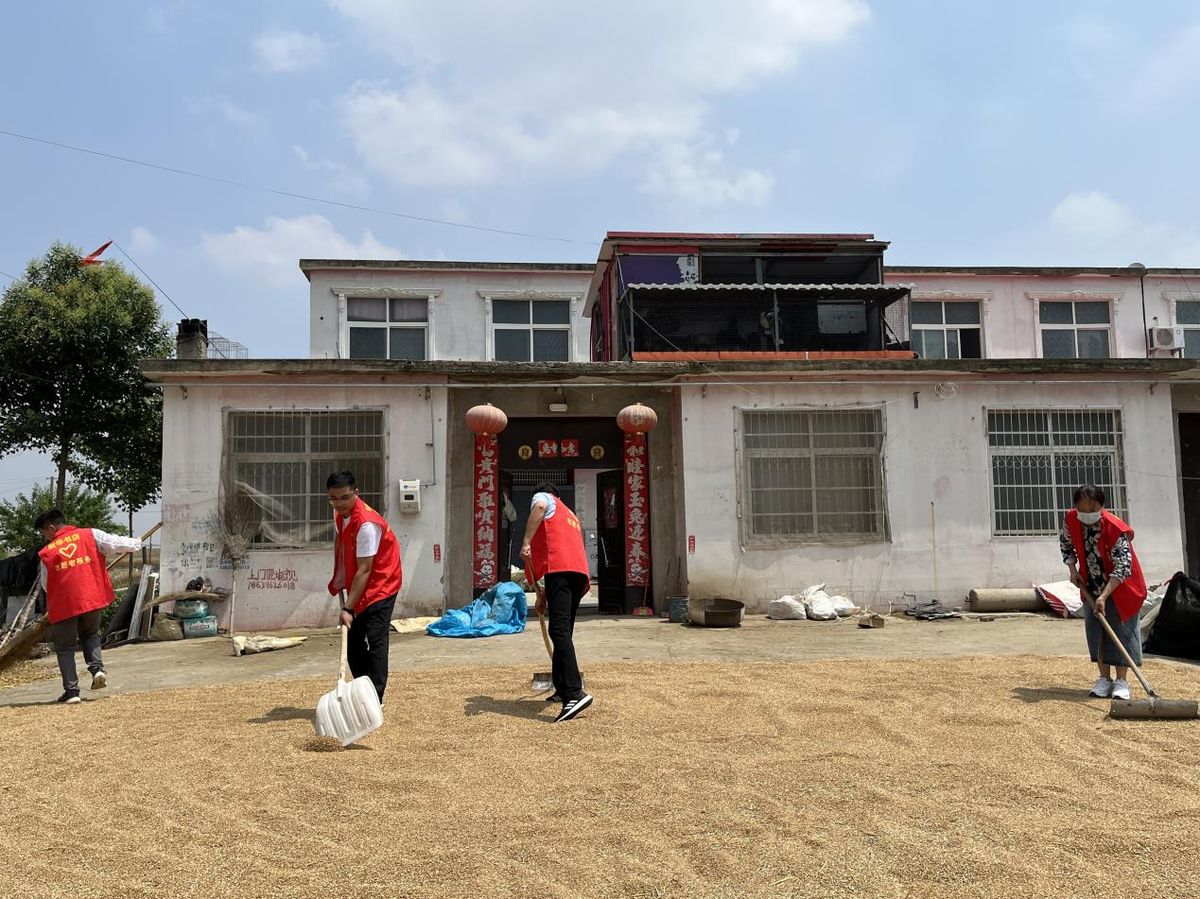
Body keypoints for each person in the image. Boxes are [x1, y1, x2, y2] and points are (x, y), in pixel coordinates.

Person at [35, 509, 141, 704]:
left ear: (51, 527)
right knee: (90, 635)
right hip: (92, 598)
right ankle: (97, 669)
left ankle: (72, 692)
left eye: (44, 532)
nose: (45, 537)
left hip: (65, 605)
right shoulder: (90, 534)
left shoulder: (46, 553)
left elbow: (46, 584)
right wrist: (136, 542)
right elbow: (115, 543)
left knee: (65, 647)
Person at [1059, 484, 1147, 701]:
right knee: (1097, 633)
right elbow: (1066, 545)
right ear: (1076, 506)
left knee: (1122, 632)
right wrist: (1073, 570)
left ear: (1102, 506)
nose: (1087, 513)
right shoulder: (1071, 520)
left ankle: (1121, 681)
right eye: (1083, 508)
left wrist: (1104, 596)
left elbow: (1123, 567)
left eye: (1092, 508)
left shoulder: (1115, 528)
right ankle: (1104, 679)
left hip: (1121, 587)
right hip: (1091, 584)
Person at [326, 470, 403, 702]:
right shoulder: (340, 514)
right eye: (333, 498)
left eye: (345, 498)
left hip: (382, 582)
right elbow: (342, 544)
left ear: (356, 493)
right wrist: (340, 578)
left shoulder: (367, 524)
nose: (339, 503)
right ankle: (362, 688)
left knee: (376, 638)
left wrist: (348, 609)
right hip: (359, 582)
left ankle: (374, 699)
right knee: (353, 641)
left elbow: (365, 570)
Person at [521, 482, 593, 723]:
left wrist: (526, 541)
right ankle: (562, 688)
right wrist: (542, 595)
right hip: (577, 573)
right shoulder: (569, 514)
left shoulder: (544, 498)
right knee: (564, 631)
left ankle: (574, 693)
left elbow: (540, 506)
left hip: (561, 570)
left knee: (559, 631)